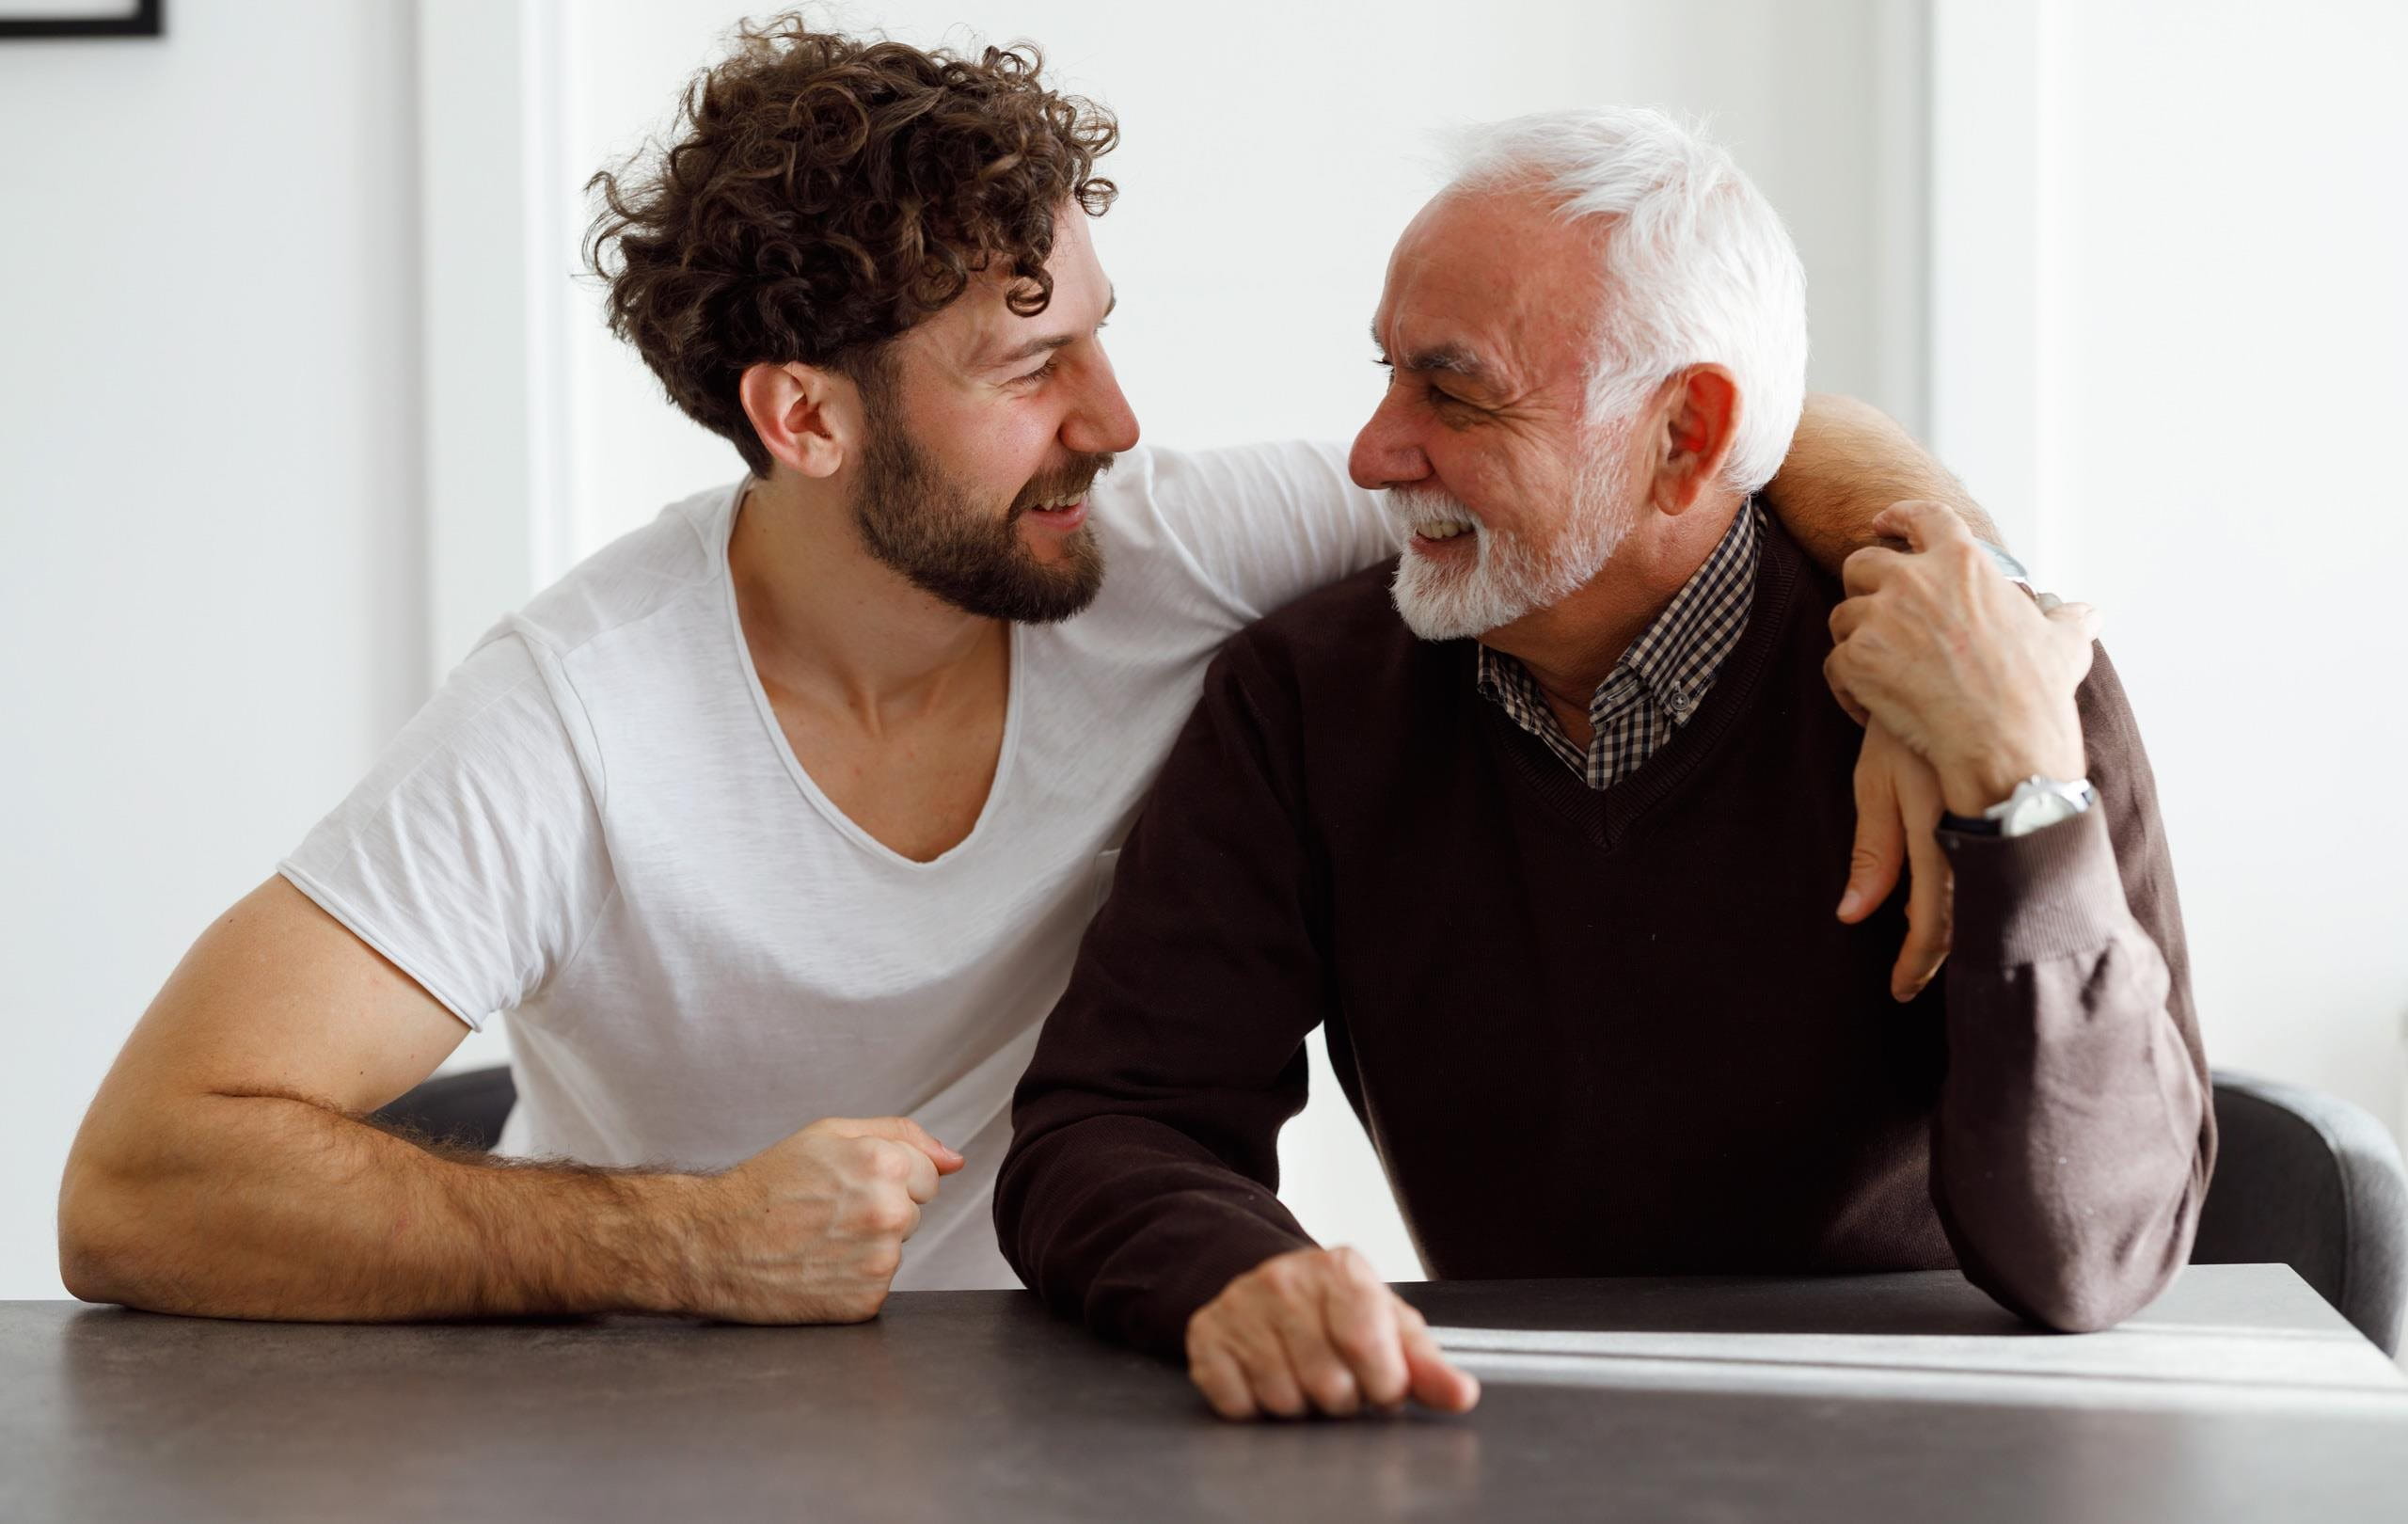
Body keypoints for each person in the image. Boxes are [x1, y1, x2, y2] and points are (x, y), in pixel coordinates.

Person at [62, 22, 2003, 1323]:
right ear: (804, 419)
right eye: (1027, 367)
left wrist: (1949, 616)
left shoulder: (1163, 545)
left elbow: (1671, 438)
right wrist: (691, 1243)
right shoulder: (572, 719)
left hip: (1063, 1400)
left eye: (1094, 331)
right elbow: (141, 1178)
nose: (1114, 417)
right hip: (641, 1407)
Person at [994, 106, 2211, 1421]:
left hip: (1927, 1450)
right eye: (1388, 373)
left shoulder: (1996, 690)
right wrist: (1238, 1277)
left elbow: (2090, 1259)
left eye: (1454, 392)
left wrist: (2024, 805)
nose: (1372, 453)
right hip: (1512, 1434)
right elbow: (1109, 1123)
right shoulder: (1307, 702)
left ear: (1685, 436)